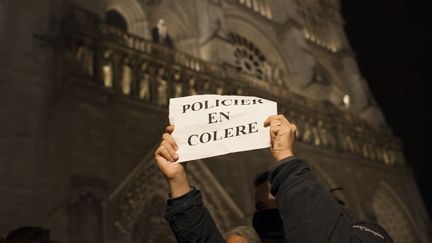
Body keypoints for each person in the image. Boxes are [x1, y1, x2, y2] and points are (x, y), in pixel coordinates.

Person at [155, 114, 393, 242]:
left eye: (282, 204)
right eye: (262, 208)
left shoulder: (367, 233)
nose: (272, 217)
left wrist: (285, 159)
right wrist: (178, 181)